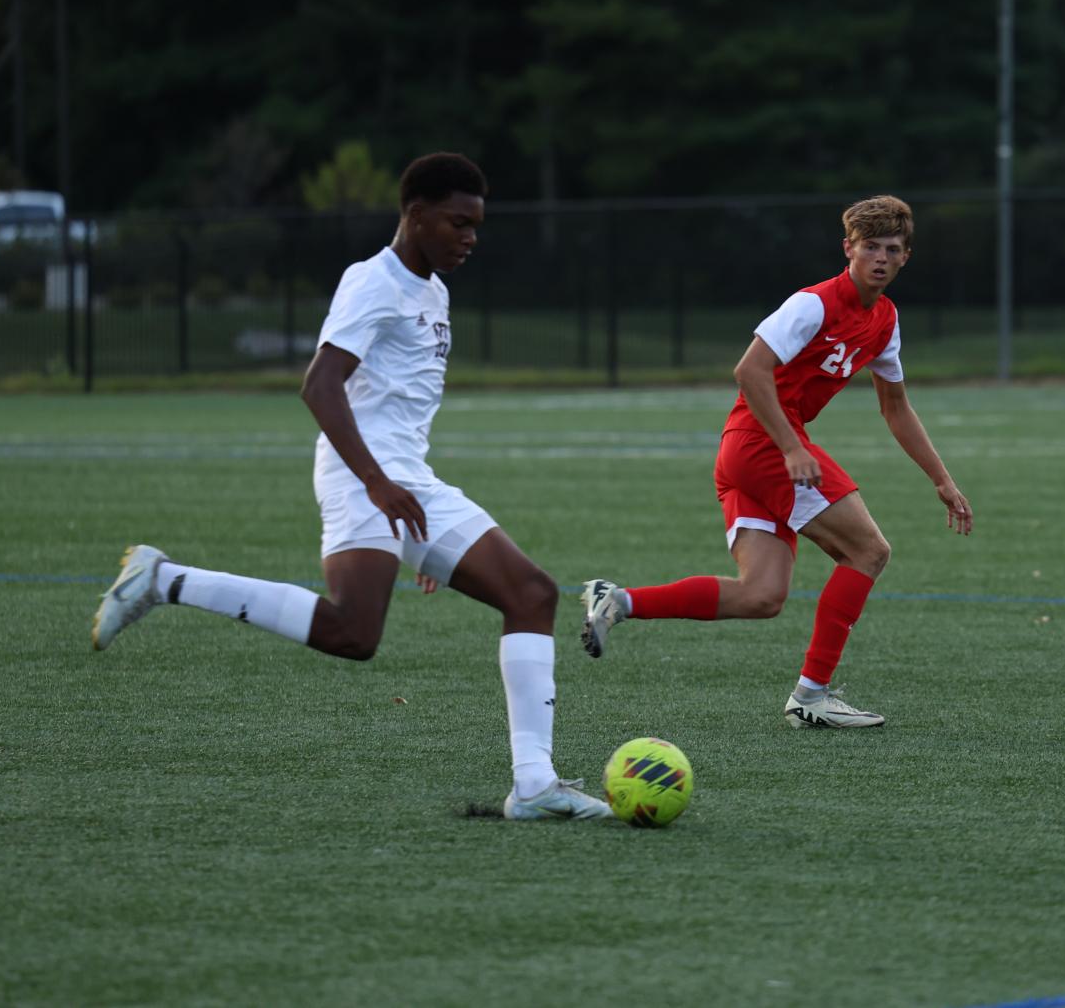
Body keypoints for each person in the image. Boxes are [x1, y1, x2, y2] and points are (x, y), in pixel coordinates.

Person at [91, 153, 611, 820]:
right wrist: (376, 485)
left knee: (532, 594)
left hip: (407, 482)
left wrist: (426, 541)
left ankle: (534, 786)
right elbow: (319, 385)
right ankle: (164, 580)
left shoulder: (433, 289)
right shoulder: (373, 282)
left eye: (476, 226)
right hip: (360, 475)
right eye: (458, 223)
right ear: (415, 215)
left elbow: (397, 410)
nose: (470, 238)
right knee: (352, 632)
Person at [577, 194, 972, 729]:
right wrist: (791, 448)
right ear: (848, 249)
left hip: (754, 450)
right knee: (868, 551)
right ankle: (812, 696)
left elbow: (895, 407)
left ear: (906, 258)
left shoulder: (884, 320)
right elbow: (750, 371)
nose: (880, 257)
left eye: (892, 248)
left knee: (761, 596)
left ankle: (616, 601)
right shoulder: (813, 304)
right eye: (870, 246)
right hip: (762, 445)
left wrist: (942, 480)